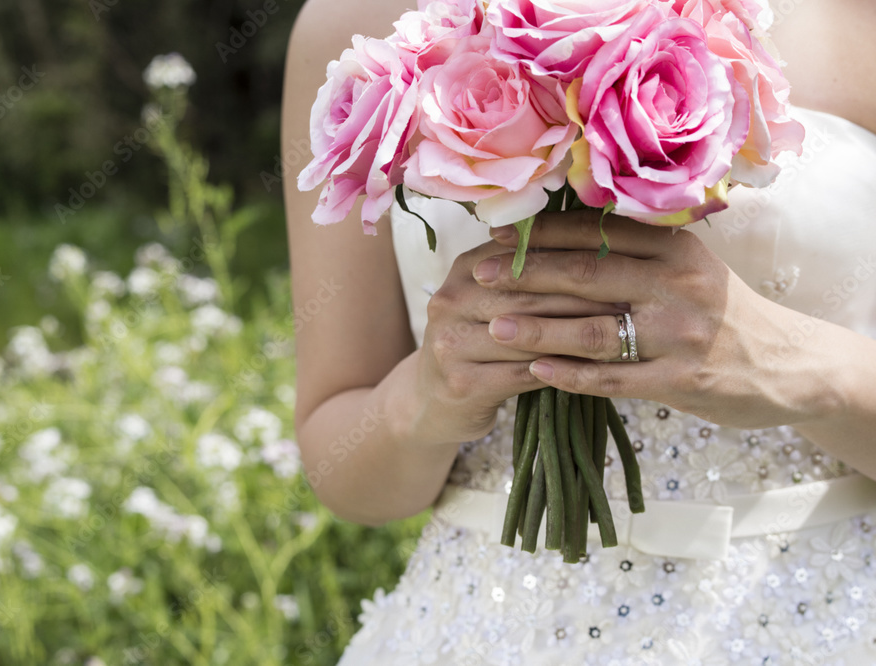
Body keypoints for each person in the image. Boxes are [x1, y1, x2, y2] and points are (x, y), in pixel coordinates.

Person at [281, 0, 876, 662]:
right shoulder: (353, 22)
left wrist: (808, 369)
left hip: (824, 617)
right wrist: (422, 401)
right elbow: (343, 468)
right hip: (486, 629)